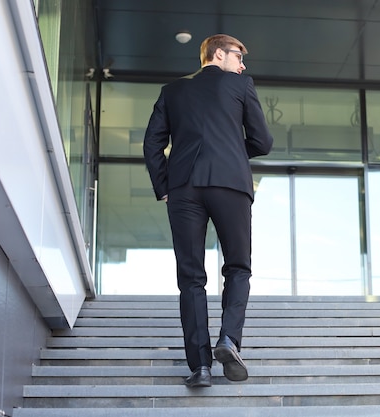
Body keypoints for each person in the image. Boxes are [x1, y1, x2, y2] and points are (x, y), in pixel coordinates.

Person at [143, 34, 273, 388]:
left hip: (183, 187)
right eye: (239, 57)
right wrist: (231, 148)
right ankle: (229, 340)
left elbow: (153, 141)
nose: (243, 65)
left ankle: (200, 366)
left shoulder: (172, 91)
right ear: (219, 53)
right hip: (230, 183)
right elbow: (263, 141)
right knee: (238, 267)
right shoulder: (240, 85)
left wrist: (164, 186)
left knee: (190, 276)